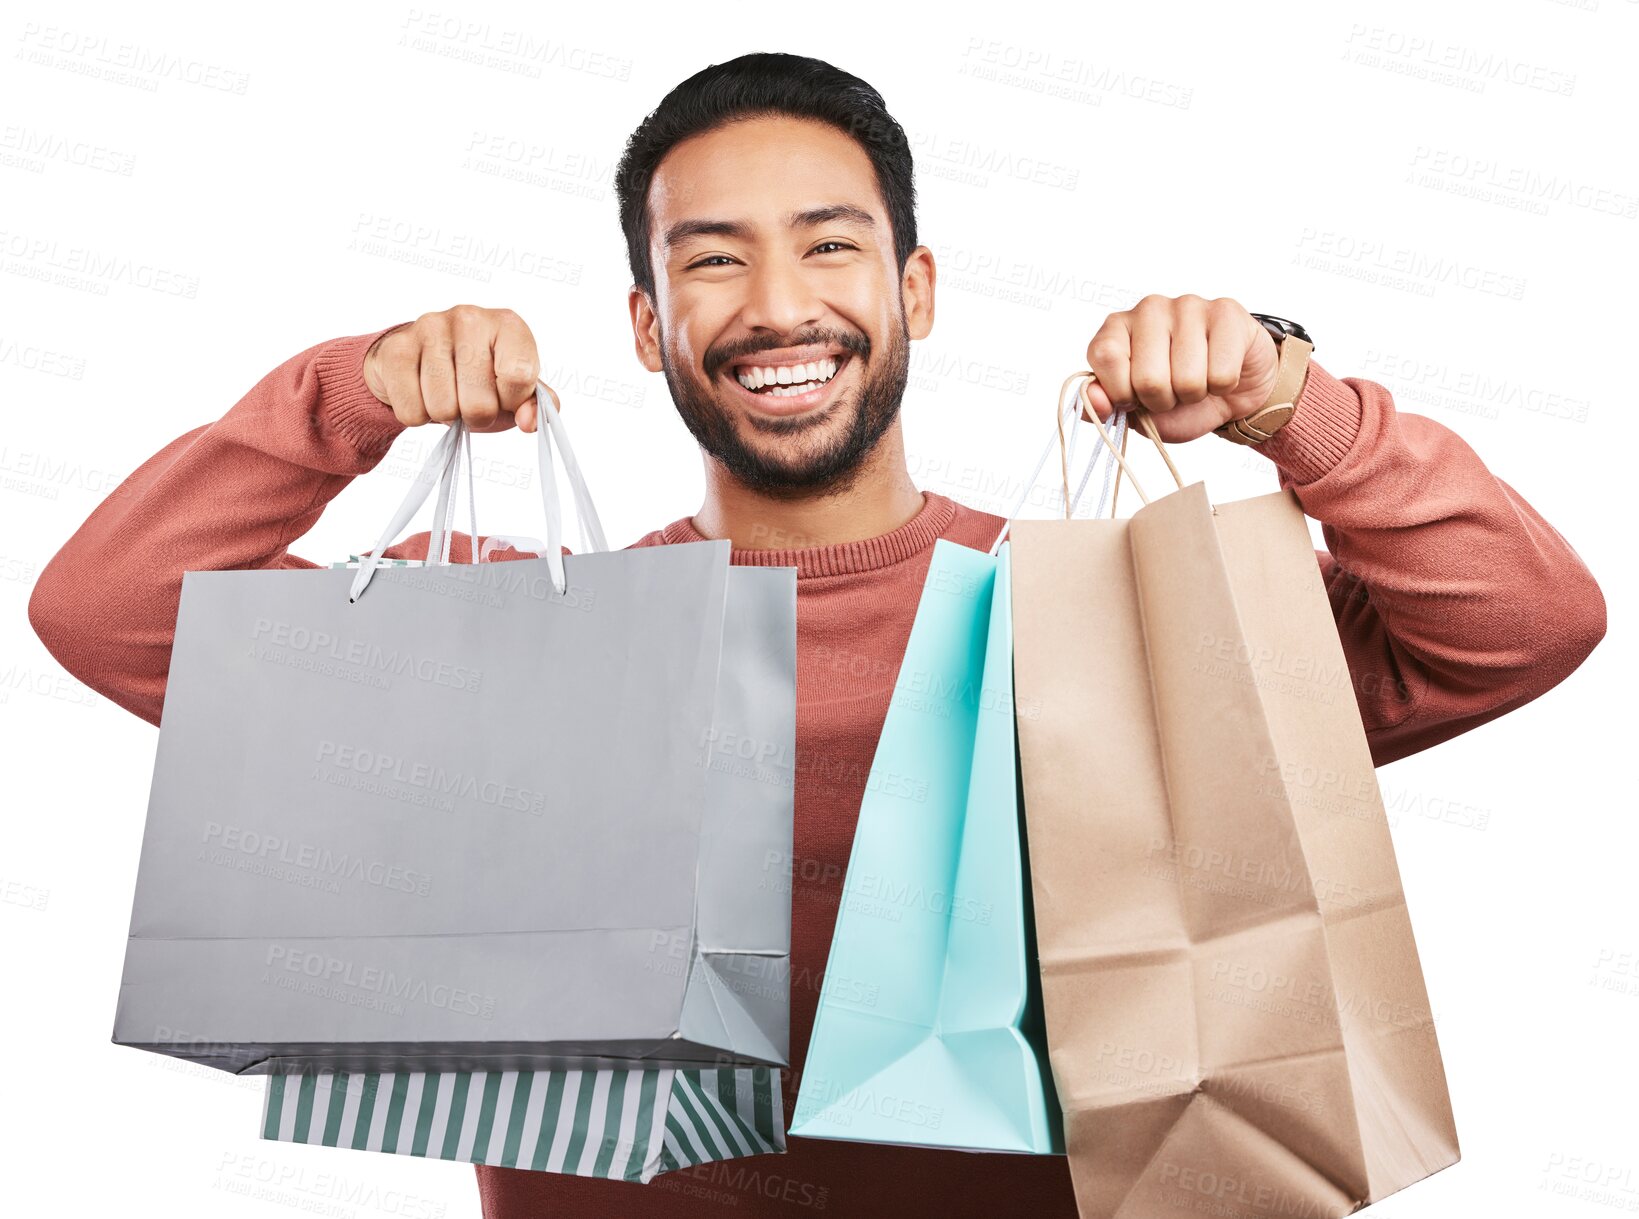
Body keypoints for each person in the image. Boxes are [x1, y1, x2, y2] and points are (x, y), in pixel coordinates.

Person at [29, 52, 1605, 1219]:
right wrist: (348, 394)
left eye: (830, 245)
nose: (778, 305)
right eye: (710, 260)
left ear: (914, 286)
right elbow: (100, 613)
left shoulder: (1115, 623)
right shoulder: (505, 655)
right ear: (648, 327)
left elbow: (1523, 626)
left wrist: (1294, 402)